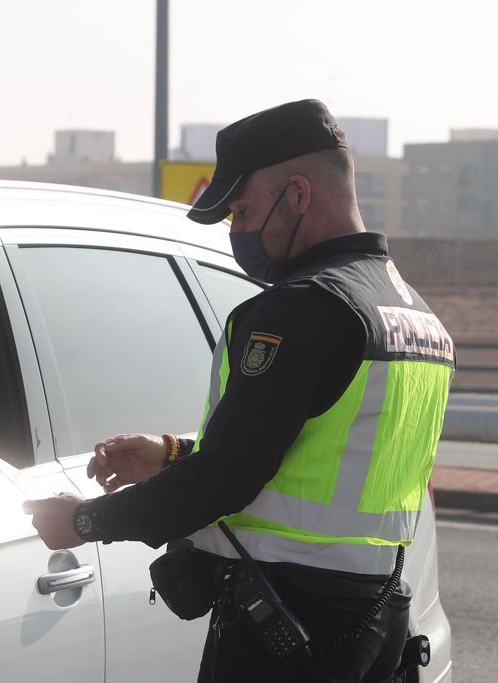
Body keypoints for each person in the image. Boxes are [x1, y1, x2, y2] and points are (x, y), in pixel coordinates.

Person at [23, 99, 455, 682]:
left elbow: (228, 476)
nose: (238, 232)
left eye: (244, 211)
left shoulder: (302, 310)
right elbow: (323, 452)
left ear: (298, 194)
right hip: (378, 620)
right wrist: (173, 454)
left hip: (291, 625)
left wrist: (85, 522)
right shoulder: (418, 318)